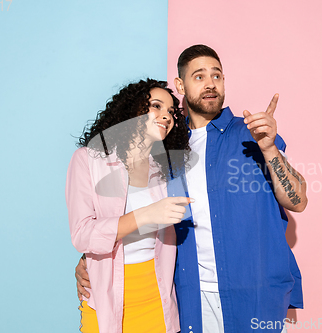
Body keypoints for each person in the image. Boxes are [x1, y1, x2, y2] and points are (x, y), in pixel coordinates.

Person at [76, 45, 308, 333]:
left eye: (217, 75)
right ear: (180, 85)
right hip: (189, 299)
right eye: (199, 76)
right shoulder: (166, 149)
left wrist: (270, 148)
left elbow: (297, 201)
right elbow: (126, 206)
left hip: (256, 296)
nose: (210, 83)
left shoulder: (251, 134)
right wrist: (91, 260)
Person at [66, 78, 192, 333]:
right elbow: (82, 234)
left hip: (158, 297)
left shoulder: (165, 166)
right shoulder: (88, 160)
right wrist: (146, 214)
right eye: (156, 106)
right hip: (106, 296)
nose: (166, 116)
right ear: (133, 110)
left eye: (170, 111)